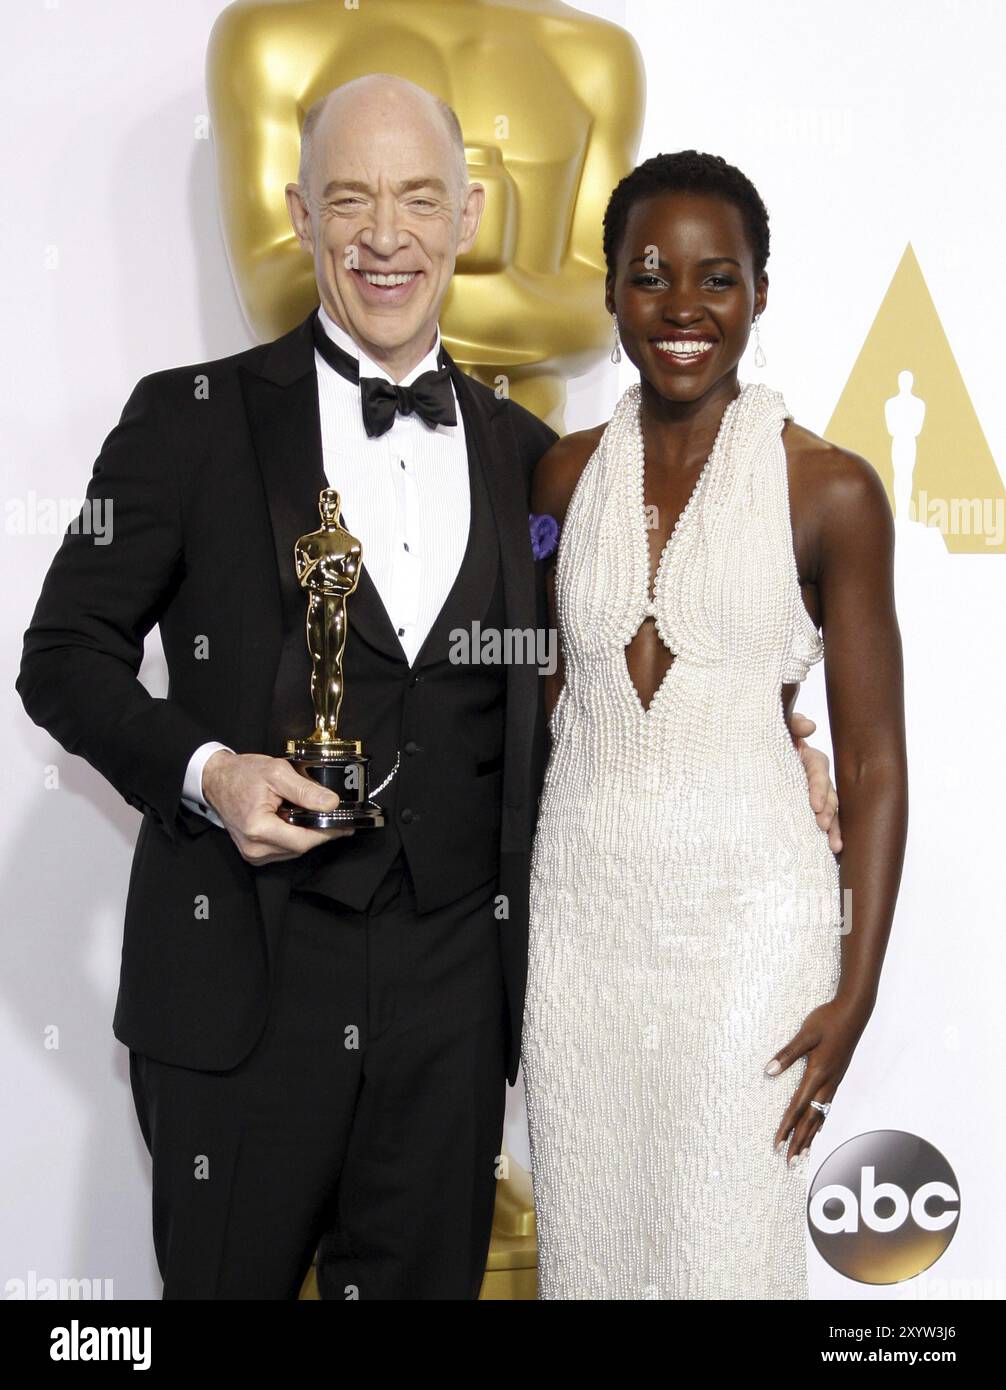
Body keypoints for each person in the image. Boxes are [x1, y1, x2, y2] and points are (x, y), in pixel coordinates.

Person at [15, 79, 837, 1299]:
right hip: (239, 1000)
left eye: (416, 199)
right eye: (349, 198)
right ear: (301, 213)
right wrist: (208, 772)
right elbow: (62, 653)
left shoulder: (535, 462)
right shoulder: (185, 422)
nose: (384, 235)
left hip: (453, 1010)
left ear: (468, 216)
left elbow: (596, 673)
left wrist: (768, 742)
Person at [521, 151, 908, 1300]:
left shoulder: (829, 489)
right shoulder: (557, 482)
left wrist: (857, 988)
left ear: (759, 293)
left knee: (720, 1255)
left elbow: (878, 758)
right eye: (648, 276)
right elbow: (543, 696)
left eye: (716, 278)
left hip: (750, 933)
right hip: (579, 929)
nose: (682, 308)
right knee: (589, 1251)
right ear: (608, 296)